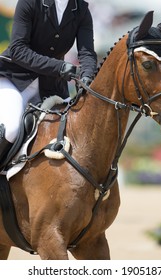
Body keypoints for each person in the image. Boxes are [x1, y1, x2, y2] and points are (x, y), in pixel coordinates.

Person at [0, 0, 97, 165]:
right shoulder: (30, 3)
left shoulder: (81, 10)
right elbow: (18, 49)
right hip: (15, 79)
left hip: (51, 87)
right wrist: (60, 67)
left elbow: (86, 52)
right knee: (12, 129)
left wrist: (88, 76)